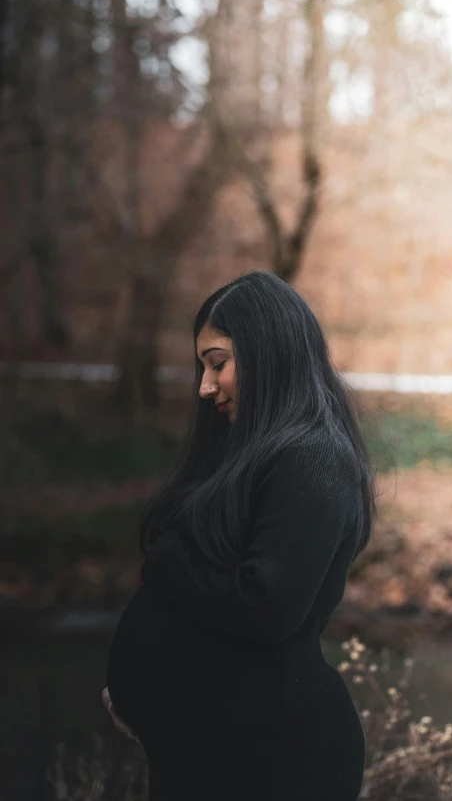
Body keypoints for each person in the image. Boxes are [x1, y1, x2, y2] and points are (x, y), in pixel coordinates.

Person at [103, 270, 377, 801]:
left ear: (267, 352)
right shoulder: (255, 453)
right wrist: (157, 704)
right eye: (202, 369)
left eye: (218, 364)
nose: (205, 387)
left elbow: (264, 606)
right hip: (215, 752)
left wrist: (163, 559)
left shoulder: (313, 458)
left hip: (277, 763)